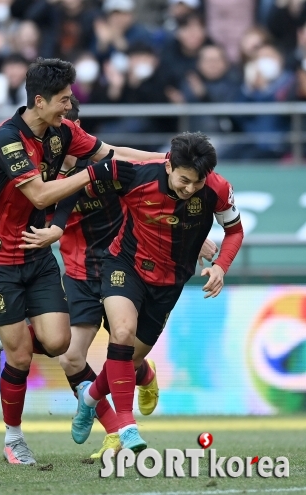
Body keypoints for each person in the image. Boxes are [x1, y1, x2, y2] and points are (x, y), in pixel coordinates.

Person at [0, 57, 165, 465]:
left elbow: (112, 153)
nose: (69, 106)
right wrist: (94, 175)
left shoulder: (62, 132)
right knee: (21, 356)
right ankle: (13, 438)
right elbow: (39, 195)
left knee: (59, 343)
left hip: (38, 254)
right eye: (63, 100)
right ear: (39, 102)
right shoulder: (7, 138)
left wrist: (162, 162)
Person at [72, 132, 243, 453]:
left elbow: (234, 231)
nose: (190, 188)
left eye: (197, 182)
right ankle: (126, 424)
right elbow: (83, 188)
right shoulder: (137, 176)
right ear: (168, 166)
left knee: (129, 359)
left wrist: (220, 266)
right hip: (126, 265)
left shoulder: (218, 189)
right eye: (184, 180)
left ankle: (89, 397)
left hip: (169, 282)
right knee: (121, 333)